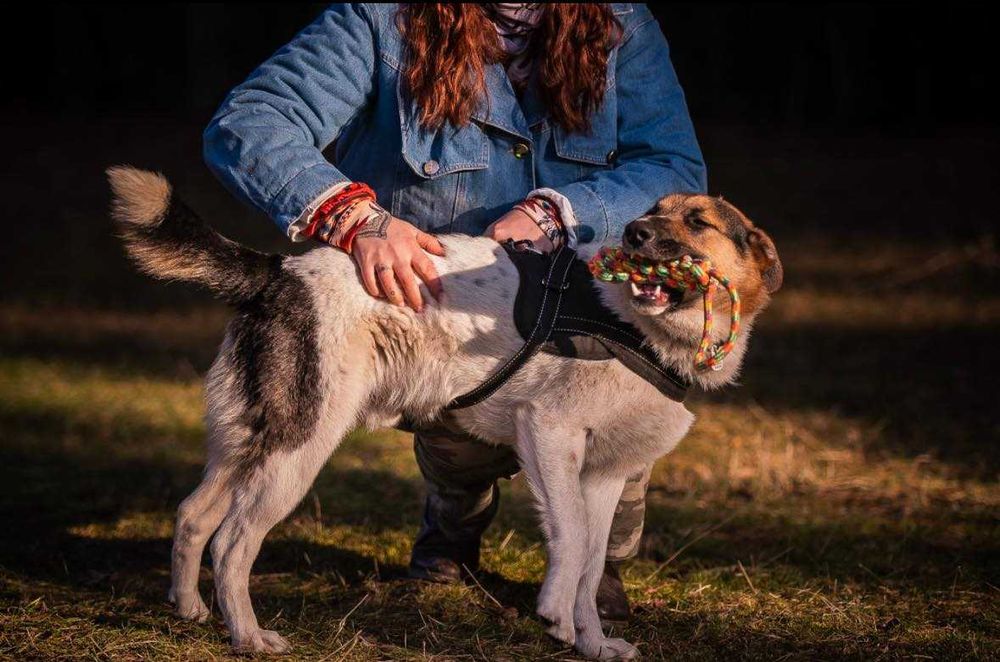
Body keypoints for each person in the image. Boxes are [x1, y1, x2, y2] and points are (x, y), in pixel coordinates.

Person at [203, 2, 706, 622]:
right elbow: (252, 122)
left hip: (585, 314)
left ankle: (600, 566)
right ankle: (451, 532)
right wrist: (357, 220)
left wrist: (561, 212)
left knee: (623, 418)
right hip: (443, 319)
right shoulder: (380, 18)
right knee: (461, 445)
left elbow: (675, 166)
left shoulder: (622, 23)